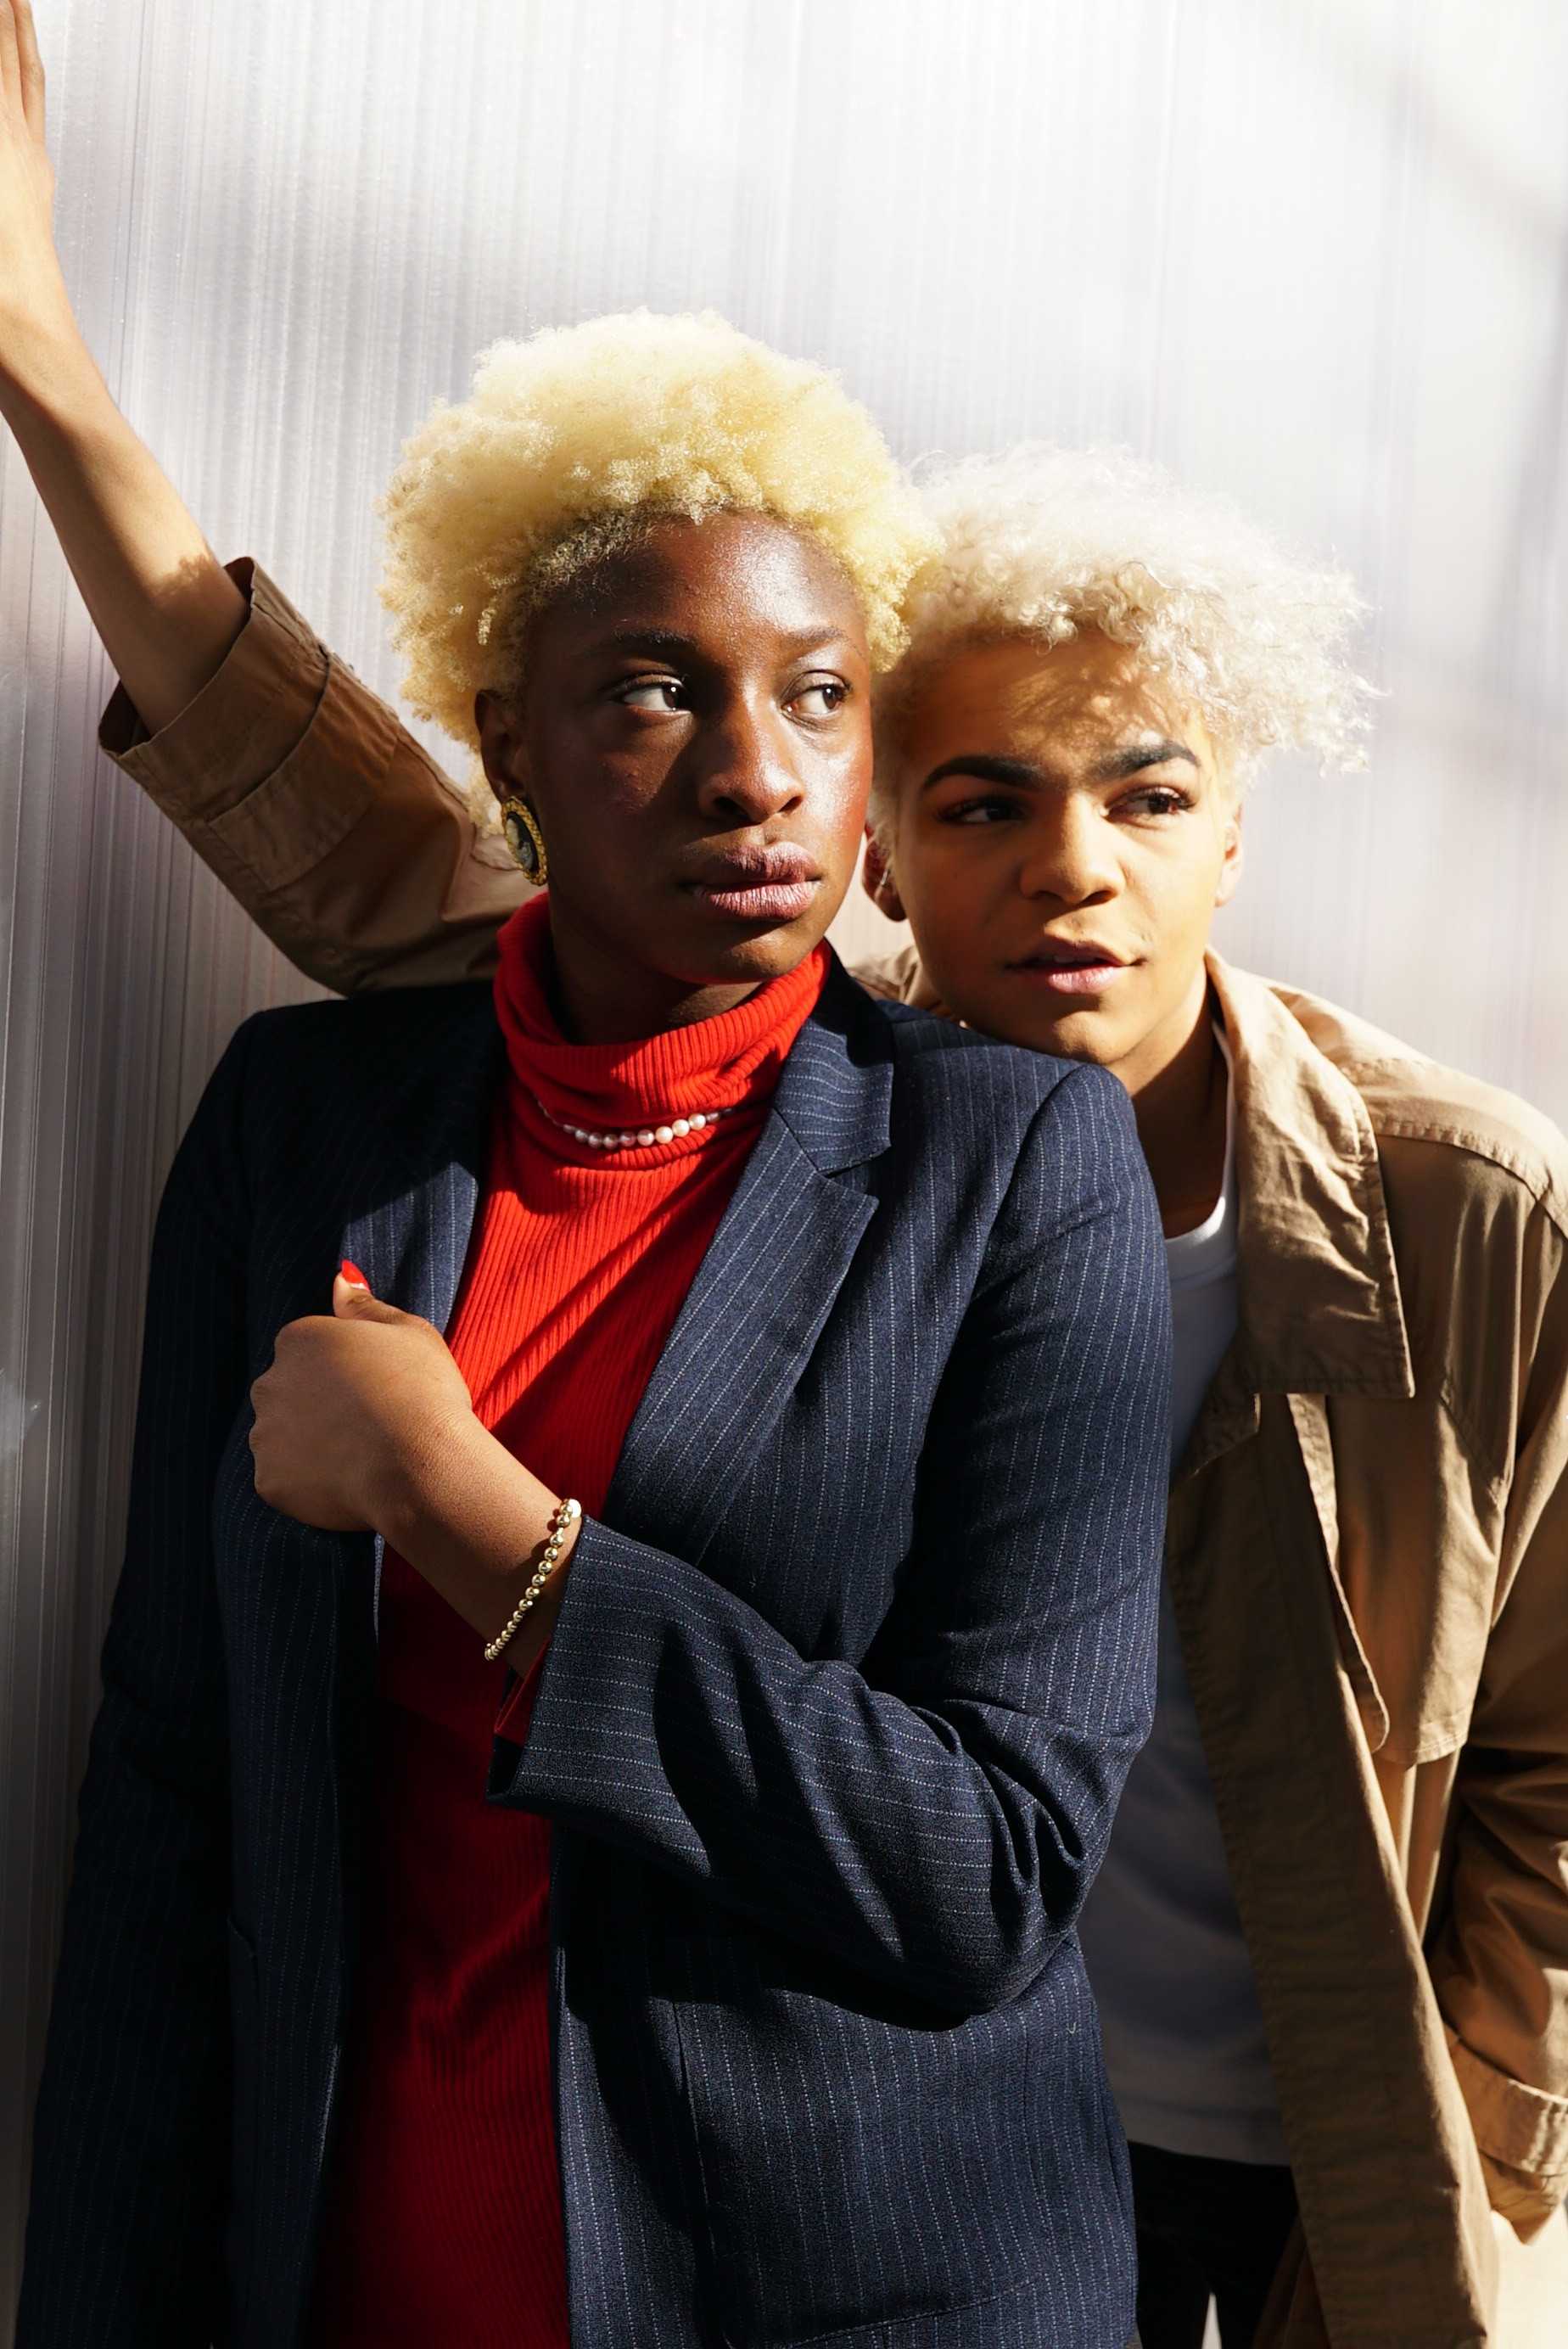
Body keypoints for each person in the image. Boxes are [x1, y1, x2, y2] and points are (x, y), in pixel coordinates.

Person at [8, 6, 1565, 2341]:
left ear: (1244, 823)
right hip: (681, 2155)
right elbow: (378, 841)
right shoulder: (519, 1081)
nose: (1075, 876)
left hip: (1256, 2137)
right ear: (888, 869)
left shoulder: (1422, 1202)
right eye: (980, 803)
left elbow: (1525, 1756)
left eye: (1147, 796)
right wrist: (52, 373)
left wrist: (1462, 2162)